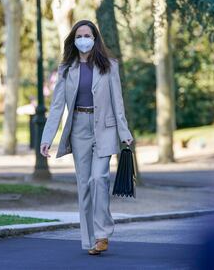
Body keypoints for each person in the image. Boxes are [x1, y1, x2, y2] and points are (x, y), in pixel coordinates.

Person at [40, 19, 134, 255]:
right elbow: (57, 106)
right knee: (84, 185)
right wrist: (47, 138)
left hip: (104, 127)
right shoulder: (66, 69)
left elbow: (117, 102)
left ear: (95, 39)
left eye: (88, 35)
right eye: (79, 36)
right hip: (79, 128)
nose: (84, 40)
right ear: (74, 39)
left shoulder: (109, 66)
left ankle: (102, 234)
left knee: (99, 178)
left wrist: (124, 133)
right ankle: (90, 240)